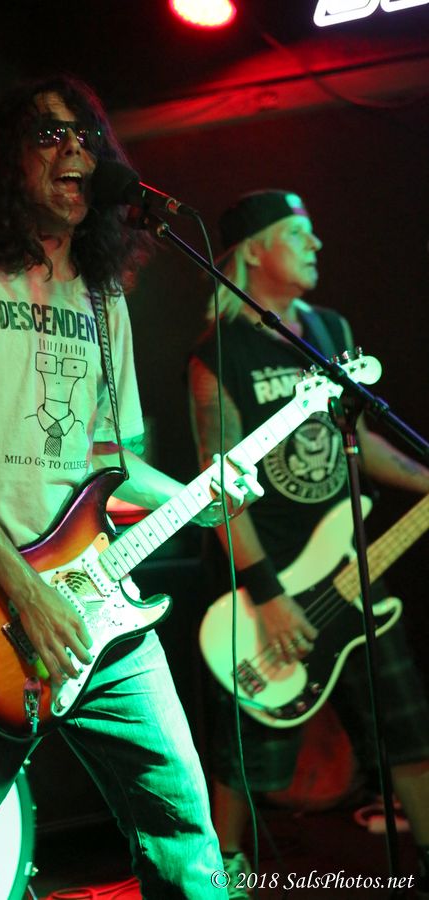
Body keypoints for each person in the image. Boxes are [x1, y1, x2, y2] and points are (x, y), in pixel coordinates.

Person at [0, 76, 263, 900]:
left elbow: (110, 462)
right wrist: (25, 591)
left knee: (186, 834)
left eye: (87, 137)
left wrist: (199, 492)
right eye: (50, 135)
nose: (76, 150)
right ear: (9, 161)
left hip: (102, 611)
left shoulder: (103, 297)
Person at [187, 190, 429, 899]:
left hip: (353, 567)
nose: (316, 245)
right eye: (299, 233)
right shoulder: (219, 353)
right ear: (255, 250)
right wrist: (267, 595)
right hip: (269, 581)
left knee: (410, 733)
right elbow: (219, 489)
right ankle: (225, 875)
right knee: (246, 757)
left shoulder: (329, 331)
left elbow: (360, 441)